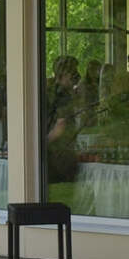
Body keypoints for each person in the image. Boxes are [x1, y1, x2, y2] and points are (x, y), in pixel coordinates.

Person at [44, 55, 83, 186]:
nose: (76, 76)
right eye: (71, 72)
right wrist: (52, 135)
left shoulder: (68, 94)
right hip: (54, 156)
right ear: (61, 74)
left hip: (67, 154)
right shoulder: (50, 95)